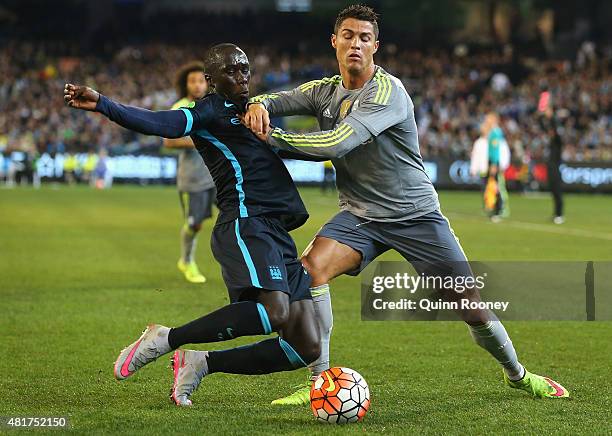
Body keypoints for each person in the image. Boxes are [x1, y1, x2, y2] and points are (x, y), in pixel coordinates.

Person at [245, 4, 569, 404]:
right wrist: (259, 103)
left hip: (414, 216)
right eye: (348, 36)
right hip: (360, 216)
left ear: (375, 46)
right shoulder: (324, 91)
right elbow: (279, 99)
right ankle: (321, 383)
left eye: (365, 38)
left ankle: (518, 375)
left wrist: (272, 137)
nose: (356, 45)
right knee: (310, 271)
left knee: (471, 307)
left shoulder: (387, 92)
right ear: (335, 41)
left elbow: (338, 142)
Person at [64, 43, 321, 407]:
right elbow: (162, 123)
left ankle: (200, 363)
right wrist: (105, 104)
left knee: (304, 346)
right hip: (246, 222)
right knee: (274, 311)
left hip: (276, 231)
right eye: (231, 70)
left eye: (245, 68)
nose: (241, 76)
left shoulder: (255, 109)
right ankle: (165, 339)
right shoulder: (209, 110)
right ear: (212, 80)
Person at [163, 62, 216, 283]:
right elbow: (169, 141)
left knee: (239, 216)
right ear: (185, 84)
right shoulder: (180, 108)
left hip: (217, 176)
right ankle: (186, 261)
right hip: (192, 178)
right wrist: (199, 141)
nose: (197, 85)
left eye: (201, 80)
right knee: (195, 224)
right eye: (192, 81)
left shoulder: (212, 105)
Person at [481, 112, 510, 222]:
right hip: (492, 161)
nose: (486, 121)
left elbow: (495, 150)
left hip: (494, 162)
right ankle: (494, 209)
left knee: (496, 186)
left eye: (488, 119)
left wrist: (494, 164)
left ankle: (498, 210)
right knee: (493, 186)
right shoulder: (493, 132)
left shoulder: (496, 132)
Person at [540, 107, 564, 224]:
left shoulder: (557, 141)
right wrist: (543, 116)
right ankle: (556, 214)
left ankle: (560, 214)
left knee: (557, 190)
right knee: (553, 191)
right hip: (550, 166)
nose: (549, 132)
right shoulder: (551, 140)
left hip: (556, 166)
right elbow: (543, 126)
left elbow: (554, 128)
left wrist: (551, 116)